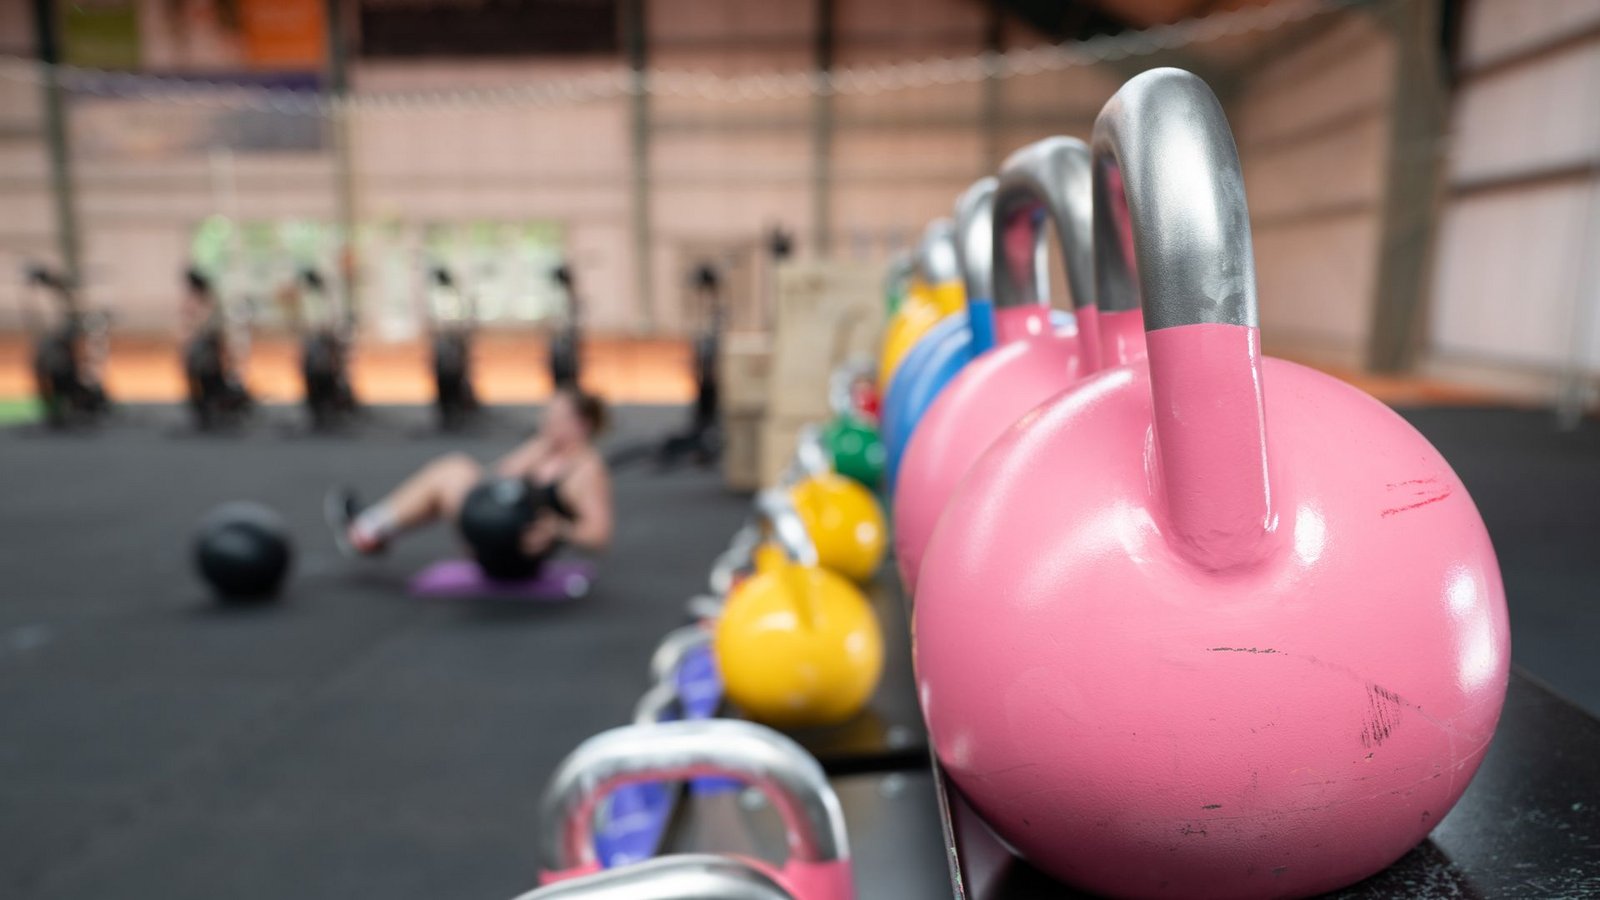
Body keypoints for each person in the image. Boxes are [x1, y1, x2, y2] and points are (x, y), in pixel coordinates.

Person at [326, 386, 614, 567]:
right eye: (547, 416)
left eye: (556, 418)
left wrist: (557, 529)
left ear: (582, 425)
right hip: (494, 532)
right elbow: (496, 478)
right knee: (453, 475)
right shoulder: (543, 448)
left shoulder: (586, 469)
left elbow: (598, 536)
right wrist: (535, 452)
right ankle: (371, 530)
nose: (546, 424)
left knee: (452, 471)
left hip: (519, 553)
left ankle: (367, 529)